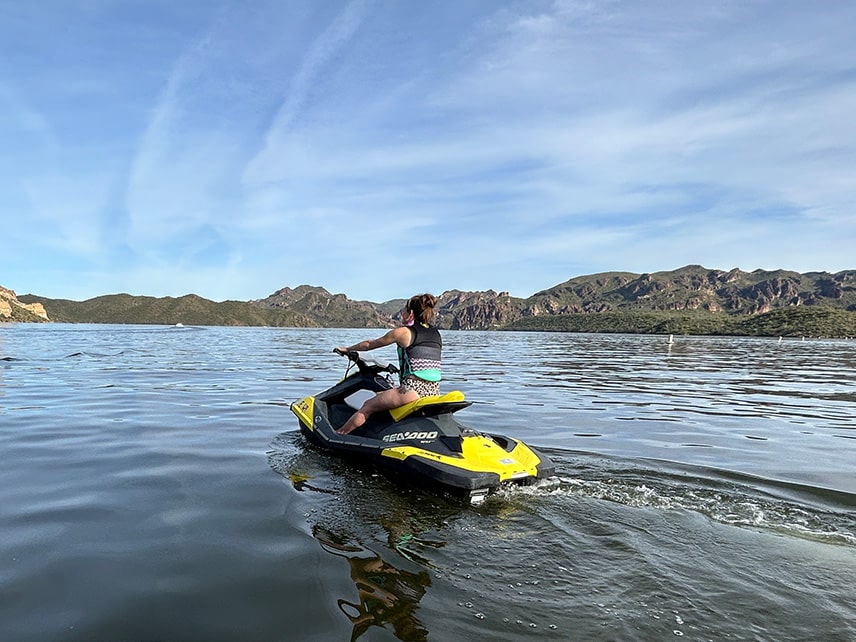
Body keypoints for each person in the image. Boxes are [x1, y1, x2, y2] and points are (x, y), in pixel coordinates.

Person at [335, 293, 442, 435]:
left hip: (412, 390)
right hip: (434, 390)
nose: (401, 312)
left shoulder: (404, 332)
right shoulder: (436, 333)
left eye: (404, 309)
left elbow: (369, 344)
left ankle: (339, 434)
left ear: (410, 313)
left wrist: (347, 349)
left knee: (368, 406)